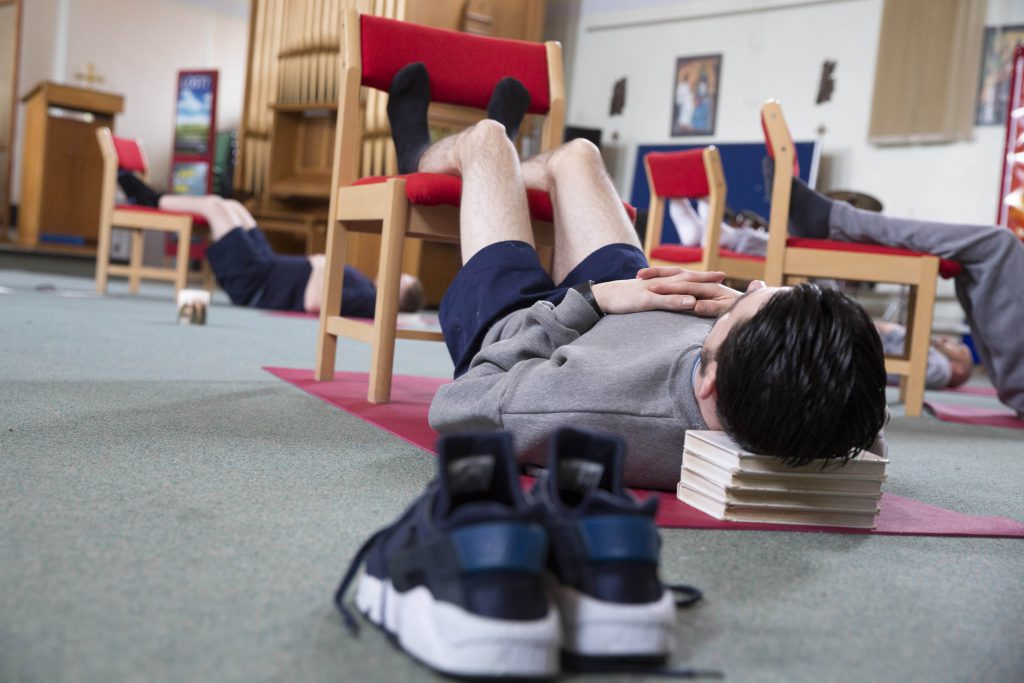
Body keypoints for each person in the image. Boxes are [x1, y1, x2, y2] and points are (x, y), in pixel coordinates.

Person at [382, 63, 888, 490]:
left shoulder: (582, 411)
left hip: (527, 324)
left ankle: (432, 155)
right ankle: (502, 170)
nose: (748, 286)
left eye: (743, 308)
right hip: (635, 298)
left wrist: (593, 299)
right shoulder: (806, 404)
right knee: (580, 155)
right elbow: (864, 417)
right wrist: (732, 312)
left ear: (709, 381)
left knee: (487, 143)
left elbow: (457, 407)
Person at [669, 176, 1024, 406]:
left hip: (836, 337)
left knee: (998, 244)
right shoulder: (928, 349)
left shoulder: (938, 365)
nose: (951, 342)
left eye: (956, 349)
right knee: (994, 246)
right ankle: (733, 236)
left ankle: (833, 221)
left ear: (960, 371)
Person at [115, 178, 424, 317]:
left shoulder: (369, 301)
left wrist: (321, 264)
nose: (395, 274)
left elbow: (316, 303)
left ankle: (150, 198)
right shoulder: (367, 288)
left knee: (214, 208)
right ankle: (152, 197)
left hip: (257, 283)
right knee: (232, 206)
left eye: (402, 281)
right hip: (267, 265)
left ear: (398, 299)